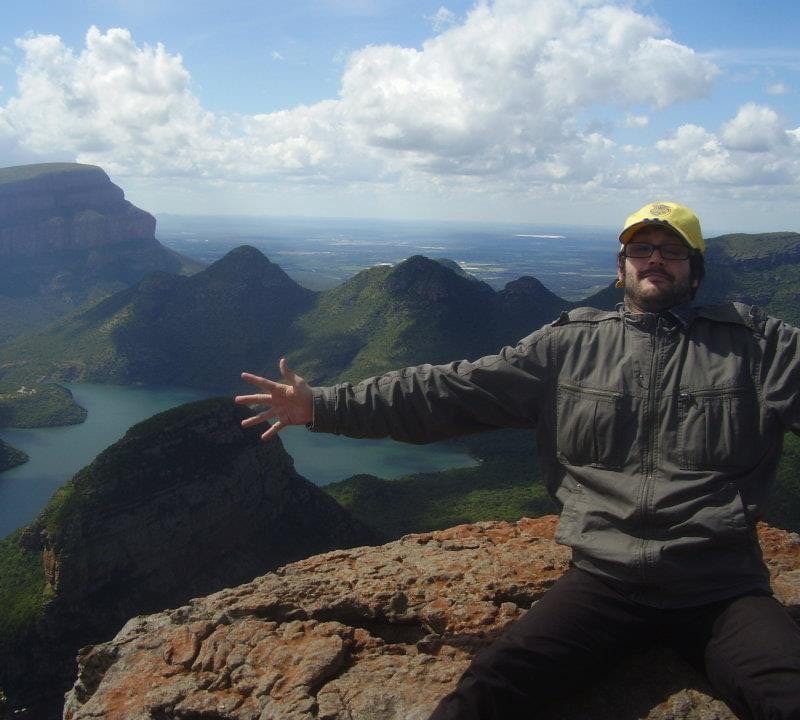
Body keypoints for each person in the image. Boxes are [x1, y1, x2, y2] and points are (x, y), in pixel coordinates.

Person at [235, 201, 800, 720]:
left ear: (695, 269)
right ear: (620, 265)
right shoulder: (570, 346)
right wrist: (323, 406)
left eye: (672, 250)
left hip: (720, 587)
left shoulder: (756, 346)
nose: (655, 260)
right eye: (640, 249)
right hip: (605, 581)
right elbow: (451, 392)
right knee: (484, 693)